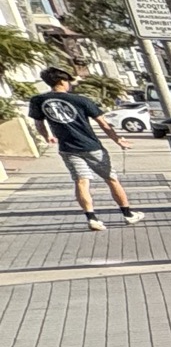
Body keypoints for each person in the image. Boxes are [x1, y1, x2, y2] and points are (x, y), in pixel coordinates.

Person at [31, 69, 140, 232]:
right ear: (62, 81)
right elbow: (103, 123)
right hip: (91, 146)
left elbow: (39, 123)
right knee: (111, 179)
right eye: (68, 81)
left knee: (81, 182)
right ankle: (128, 214)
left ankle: (92, 218)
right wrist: (118, 140)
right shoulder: (80, 100)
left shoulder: (38, 100)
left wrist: (48, 136)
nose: (69, 85)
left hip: (67, 148)